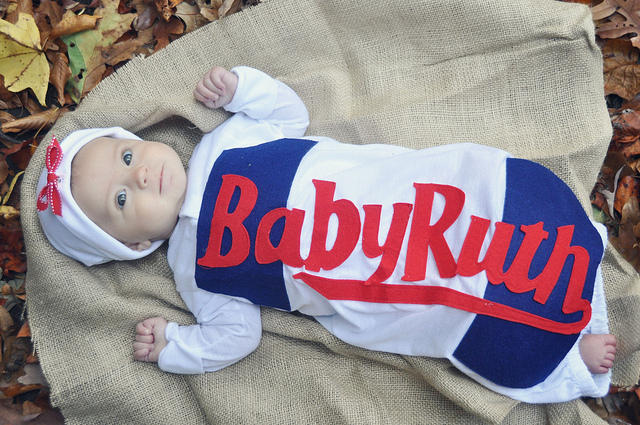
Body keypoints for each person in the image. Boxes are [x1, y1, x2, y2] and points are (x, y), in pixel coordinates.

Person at [36, 66, 616, 403]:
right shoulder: (197, 272)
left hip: (400, 199)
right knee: (449, 309)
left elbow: (288, 115)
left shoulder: (227, 142)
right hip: (377, 270)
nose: (139, 174)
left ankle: (575, 260)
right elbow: (235, 337)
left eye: (127, 154)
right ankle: (569, 355)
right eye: (120, 200)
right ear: (135, 246)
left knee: (485, 197)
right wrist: (176, 347)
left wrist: (240, 89)